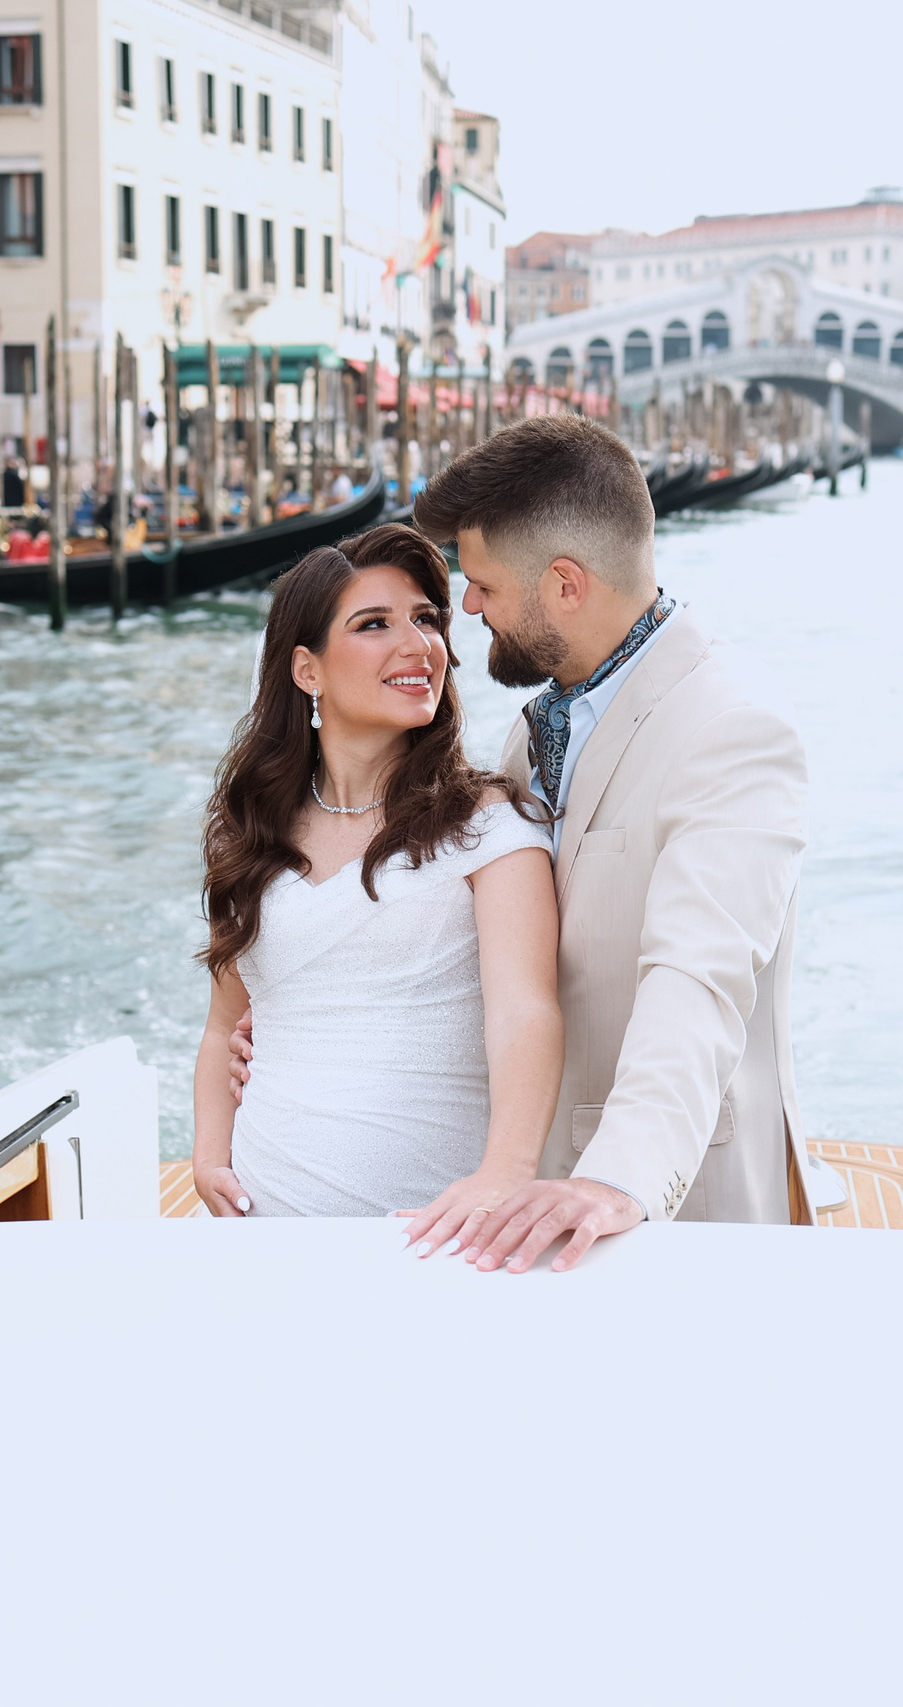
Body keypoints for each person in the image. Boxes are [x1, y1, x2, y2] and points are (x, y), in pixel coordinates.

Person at [238, 416, 810, 1272]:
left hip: (663, 1216)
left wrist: (618, 1178)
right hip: (507, 1208)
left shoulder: (732, 730)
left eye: (483, 585)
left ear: (565, 584)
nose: (466, 610)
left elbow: (699, 978)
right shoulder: (532, 733)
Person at [191, 526, 564, 1224]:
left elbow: (526, 1010)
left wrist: (504, 1174)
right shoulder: (253, 834)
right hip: (260, 1224)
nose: (419, 643)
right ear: (307, 670)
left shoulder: (489, 825)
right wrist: (209, 1155)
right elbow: (221, 1028)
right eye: (374, 624)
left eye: (426, 618)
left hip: (433, 1230)